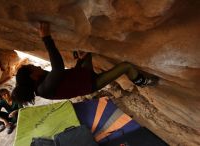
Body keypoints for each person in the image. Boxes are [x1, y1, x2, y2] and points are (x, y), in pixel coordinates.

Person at [11, 22, 158, 105]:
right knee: (126, 66)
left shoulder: (43, 81)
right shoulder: (43, 89)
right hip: (91, 83)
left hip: (83, 74)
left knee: (85, 49)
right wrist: (46, 38)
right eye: (33, 68)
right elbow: (58, 69)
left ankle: (81, 55)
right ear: (33, 76)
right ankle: (142, 81)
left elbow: (66, 78)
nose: (37, 66)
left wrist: (80, 61)